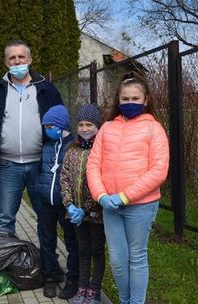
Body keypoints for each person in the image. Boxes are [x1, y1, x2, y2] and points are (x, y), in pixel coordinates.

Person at [86, 71, 169, 304]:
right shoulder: (107, 128)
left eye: (135, 99)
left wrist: (124, 196)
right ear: (118, 101)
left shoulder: (155, 129)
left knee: (137, 258)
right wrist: (101, 195)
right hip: (110, 205)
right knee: (117, 260)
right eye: (125, 99)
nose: (130, 103)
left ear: (145, 100)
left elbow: (158, 171)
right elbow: (93, 163)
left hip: (140, 206)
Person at [0, 40, 63, 235]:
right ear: (6, 63)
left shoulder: (47, 90)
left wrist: (60, 158)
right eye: (12, 58)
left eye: (21, 57)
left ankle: (49, 264)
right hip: (7, 166)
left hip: (41, 165)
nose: (17, 61)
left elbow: (62, 126)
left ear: (29, 59)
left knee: (46, 218)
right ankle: (7, 264)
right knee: (5, 219)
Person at [60, 103, 105, 304]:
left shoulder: (102, 151)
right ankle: (82, 288)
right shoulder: (72, 150)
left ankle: (94, 291)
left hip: (96, 214)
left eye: (89, 124)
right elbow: (65, 178)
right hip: (75, 214)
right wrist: (69, 205)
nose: (85, 128)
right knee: (83, 251)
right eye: (81, 124)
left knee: (96, 251)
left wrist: (86, 207)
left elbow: (100, 182)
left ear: (98, 126)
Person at [37, 105, 79, 299]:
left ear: (61, 125)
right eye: (45, 127)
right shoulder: (46, 147)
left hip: (65, 203)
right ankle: (50, 277)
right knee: (47, 240)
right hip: (46, 202)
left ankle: (73, 280)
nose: (47, 130)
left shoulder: (73, 147)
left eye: (50, 126)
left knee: (71, 242)